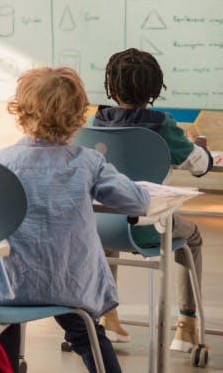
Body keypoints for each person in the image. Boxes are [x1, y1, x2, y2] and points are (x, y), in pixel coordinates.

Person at [0, 67, 149, 373]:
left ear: (21, 113)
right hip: (71, 285)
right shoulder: (88, 162)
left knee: (3, 325)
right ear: (79, 116)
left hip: (11, 286)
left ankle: (5, 366)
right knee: (86, 333)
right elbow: (137, 202)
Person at [92, 48, 212, 349]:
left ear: (111, 87)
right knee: (193, 238)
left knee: (110, 228)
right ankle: (186, 326)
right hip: (148, 225)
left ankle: (109, 317)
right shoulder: (161, 125)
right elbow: (199, 165)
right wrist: (203, 153)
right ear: (154, 89)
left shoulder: (97, 122)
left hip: (100, 223)